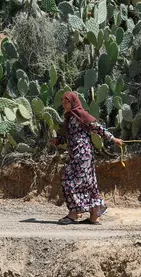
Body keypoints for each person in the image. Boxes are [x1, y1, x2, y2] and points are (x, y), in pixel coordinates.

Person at [49, 92, 123, 225]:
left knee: (69, 181)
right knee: (88, 183)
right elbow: (69, 136)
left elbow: (97, 128)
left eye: (66, 102)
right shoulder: (70, 117)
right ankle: (94, 216)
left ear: (73, 102)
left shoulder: (81, 115)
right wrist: (57, 140)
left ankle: (74, 213)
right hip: (76, 154)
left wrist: (113, 139)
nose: (63, 104)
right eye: (62, 101)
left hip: (82, 154)